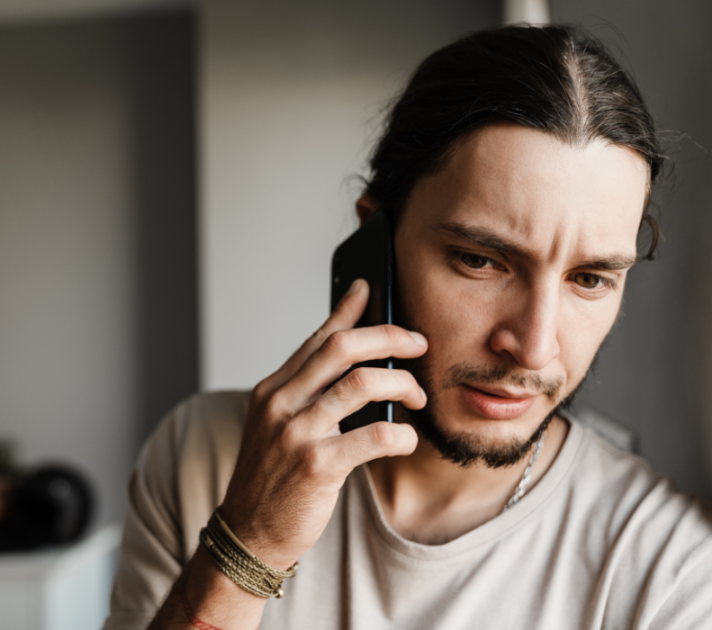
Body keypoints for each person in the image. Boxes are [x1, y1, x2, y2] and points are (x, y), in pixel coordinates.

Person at [104, 24, 712, 630]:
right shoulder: (200, 458)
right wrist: (248, 546)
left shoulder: (670, 570)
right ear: (377, 242)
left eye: (590, 279)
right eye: (480, 260)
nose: (532, 347)